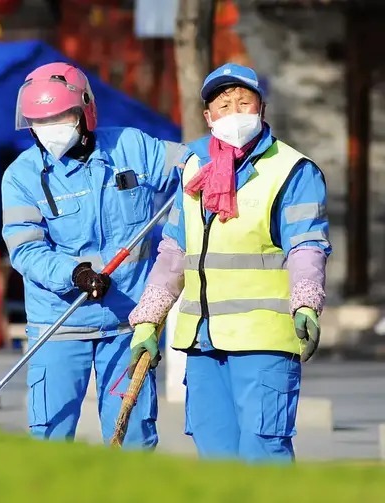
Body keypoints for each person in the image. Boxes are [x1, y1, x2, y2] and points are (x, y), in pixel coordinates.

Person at [128, 62, 332, 462]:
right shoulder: (194, 169)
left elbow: (307, 244)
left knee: (263, 452)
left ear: (261, 109)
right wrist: (148, 319)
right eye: (224, 104)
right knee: (216, 460)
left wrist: (307, 302)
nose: (235, 112)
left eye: (244, 102)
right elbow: (173, 252)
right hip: (203, 343)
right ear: (209, 117)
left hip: (263, 342)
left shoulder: (292, 171)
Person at [1, 62, 187, 449]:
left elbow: (191, 166)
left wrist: (210, 164)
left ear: (85, 111)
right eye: (39, 120)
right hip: (59, 325)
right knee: (50, 435)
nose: (50, 127)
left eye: (61, 116)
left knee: (133, 434)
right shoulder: (21, 176)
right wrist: (75, 274)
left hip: (127, 325)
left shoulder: (132, 147)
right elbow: (26, 250)